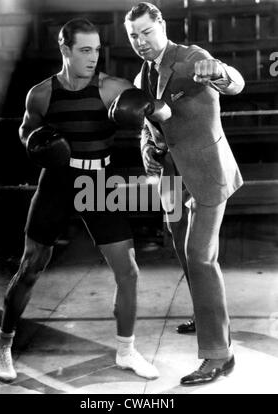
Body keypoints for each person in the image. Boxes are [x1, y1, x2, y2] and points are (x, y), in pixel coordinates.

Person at [0, 17, 171, 382]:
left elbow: (161, 111)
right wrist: (34, 142)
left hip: (100, 182)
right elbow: (26, 129)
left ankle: (126, 350)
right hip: (58, 181)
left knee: (128, 271)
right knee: (31, 266)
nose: (93, 58)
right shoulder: (41, 94)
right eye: (85, 50)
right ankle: (3, 343)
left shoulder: (111, 88)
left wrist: (152, 111)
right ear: (65, 50)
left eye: (97, 50)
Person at [123, 2, 245, 385]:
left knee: (200, 257)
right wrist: (148, 149)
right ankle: (206, 312)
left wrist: (221, 72)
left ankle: (218, 355)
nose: (140, 42)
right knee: (181, 249)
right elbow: (150, 128)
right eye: (133, 36)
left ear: (161, 25)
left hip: (208, 174)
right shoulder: (143, 76)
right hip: (174, 179)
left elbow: (235, 82)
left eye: (146, 32)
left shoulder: (191, 58)